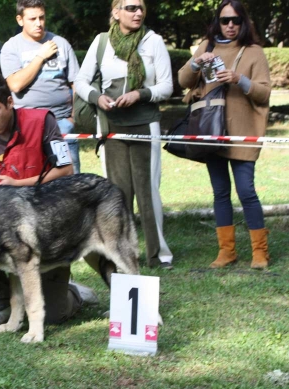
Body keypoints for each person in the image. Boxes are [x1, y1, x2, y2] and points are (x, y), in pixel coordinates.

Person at [0, 70, 98, 327]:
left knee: (53, 316)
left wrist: (16, 184)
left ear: (10, 103)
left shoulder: (42, 121)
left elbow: (66, 170)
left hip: (49, 229)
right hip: (7, 234)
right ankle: (1, 302)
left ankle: (75, 293)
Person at [74, 0, 174, 270]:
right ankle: (123, 253)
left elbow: (167, 86)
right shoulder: (102, 41)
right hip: (111, 126)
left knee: (148, 191)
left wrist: (140, 94)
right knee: (117, 194)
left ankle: (158, 254)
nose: (138, 12)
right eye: (130, 7)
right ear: (116, 12)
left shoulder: (153, 41)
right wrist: (97, 97)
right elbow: (80, 81)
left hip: (145, 124)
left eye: (141, 7)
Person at [178, 0, 271, 270]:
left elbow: (264, 93)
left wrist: (238, 79)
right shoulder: (206, 47)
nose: (230, 25)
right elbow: (183, 80)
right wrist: (196, 63)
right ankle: (226, 251)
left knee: (247, 192)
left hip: (243, 132)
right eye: (224, 20)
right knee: (220, 193)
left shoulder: (254, 52)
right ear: (217, 22)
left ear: (244, 23)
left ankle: (259, 252)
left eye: (236, 21)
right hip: (210, 131)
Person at [0, 0, 81, 174]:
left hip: (61, 123)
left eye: (42, 17)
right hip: (26, 126)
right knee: (30, 180)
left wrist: (73, 118)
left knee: (69, 182)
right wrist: (40, 57)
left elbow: (77, 83)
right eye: (32, 19)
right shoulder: (11, 47)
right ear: (20, 20)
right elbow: (15, 84)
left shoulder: (61, 43)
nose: (39, 23)